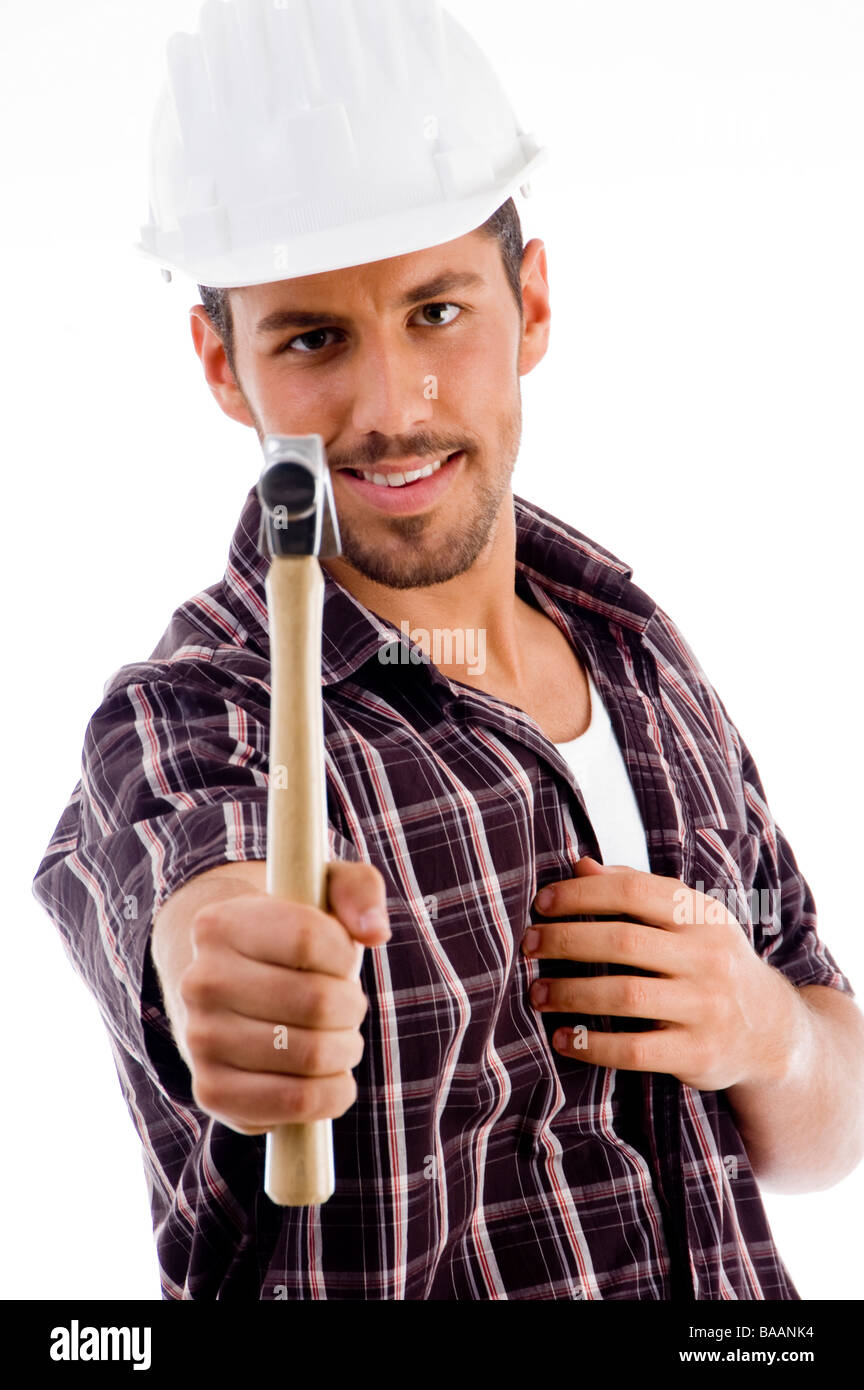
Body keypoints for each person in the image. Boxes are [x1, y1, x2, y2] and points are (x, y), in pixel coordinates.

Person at [33, 0, 863, 1301]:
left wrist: (762, 1028)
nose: (388, 407)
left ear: (529, 304)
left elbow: (833, 1116)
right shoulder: (200, 714)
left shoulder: (639, 650)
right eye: (312, 338)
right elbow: (187, 889)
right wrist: (225, 969)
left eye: (435, 311)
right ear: (222, 363)